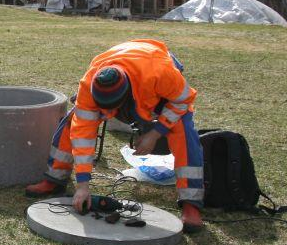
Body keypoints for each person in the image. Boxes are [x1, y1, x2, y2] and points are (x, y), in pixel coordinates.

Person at [25, 39, 204, 233]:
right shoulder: (88, 85)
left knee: (184, 131)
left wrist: (154, 133)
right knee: (72, 122)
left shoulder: (161, 74)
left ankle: (191, 204)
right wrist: (83, 185)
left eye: (111, 108)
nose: (107, 113)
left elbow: (183, 100)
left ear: (126, 97)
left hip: (154, 65)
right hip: (126, 65)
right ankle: (54, 178)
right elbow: (82, 135)